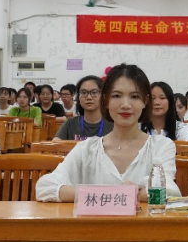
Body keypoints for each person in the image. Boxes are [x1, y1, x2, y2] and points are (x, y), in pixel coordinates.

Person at [36, 64, 180, 202]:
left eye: (135, 96)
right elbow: (45, 187)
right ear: (105, 100)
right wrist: (109, 194)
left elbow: (169, 191)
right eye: (116, 96)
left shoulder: (161, 146)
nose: (125, 105)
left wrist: (115, 194)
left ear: (145, 101)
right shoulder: (87, 149)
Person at [54, 75, 113, 140]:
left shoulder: (113, 125)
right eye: (84, 93)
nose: (89, 97)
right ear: (78, 97)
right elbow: (55, 144)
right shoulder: (70, 123)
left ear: (103, 97)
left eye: (94, 92)